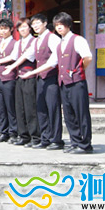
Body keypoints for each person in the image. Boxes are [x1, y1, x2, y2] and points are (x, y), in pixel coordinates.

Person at [19, 14, 63, 150]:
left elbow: (54, 60)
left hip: (51, 78)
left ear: (44, 23)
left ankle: (56, 140)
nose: (35, 26)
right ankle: (45, 138)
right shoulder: (37, 40)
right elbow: (27, 55)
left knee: (53, 109)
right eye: (33, 24)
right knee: (41, 109)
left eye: (38, 23)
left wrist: (33, 72)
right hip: (41, 79)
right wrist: (11, 67)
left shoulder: (53, 38)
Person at [53, 12, 93, 154]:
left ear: (68, 25)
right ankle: (75, 141)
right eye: (57, 25)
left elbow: (87, 57)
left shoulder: (78, 40)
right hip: (64, 82)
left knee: (81, 113)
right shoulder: (60, 43)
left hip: (76, 82)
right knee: (69, 114)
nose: (59, 28)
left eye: (61, 25)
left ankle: (85, 144)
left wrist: (79, 70)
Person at [1, 18, 39, 146]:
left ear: (30, 28)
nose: (22, 30)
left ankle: (35, 136)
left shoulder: (34, 41)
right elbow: (13, 56)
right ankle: (23, 135)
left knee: (30, 108)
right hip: (19, 77)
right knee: (20, 107)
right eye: (20, 28)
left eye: (24, 27)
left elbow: (26, 56)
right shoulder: (19, 43)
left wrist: (11, 67)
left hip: (30, 77)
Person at [0, 19, 18, 143]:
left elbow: (13, 57)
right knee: (1, 107)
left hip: (9, 77)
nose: (3, 31)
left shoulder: (15, 43)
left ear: (11, 29)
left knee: (10, 106)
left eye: (5, 29)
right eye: (1, 29)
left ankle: (13, 132)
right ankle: (3, 131)